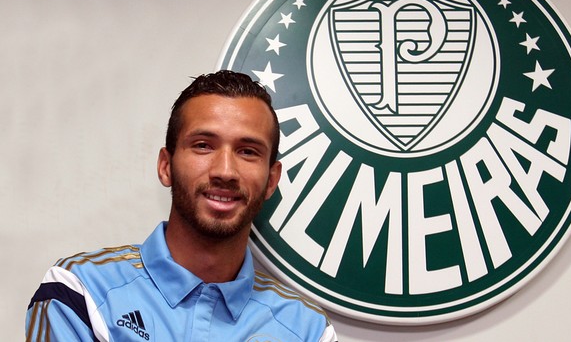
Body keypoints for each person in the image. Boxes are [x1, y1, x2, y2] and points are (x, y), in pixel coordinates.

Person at [25, 70, 338, 342]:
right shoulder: (82, 292)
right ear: (165, 166)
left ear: (271, 180)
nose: (225, 171)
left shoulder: (306, 328)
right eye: (203, 145)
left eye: (248, 151)